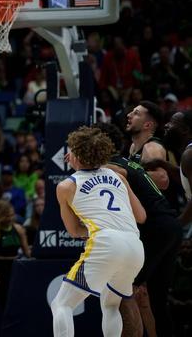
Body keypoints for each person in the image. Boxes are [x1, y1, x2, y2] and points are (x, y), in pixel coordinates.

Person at [50, 126, 146, 337]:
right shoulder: (118, 176)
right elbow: (141, 216)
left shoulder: (66, 186)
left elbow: (74, 231)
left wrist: (97, 226)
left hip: (106, 242)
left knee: (62, 304)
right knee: (110, 305)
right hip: (134, 245)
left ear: (76, 155)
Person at [95, 122, 182, 337]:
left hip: (155, 228)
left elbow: (117, 174)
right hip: (169, 226)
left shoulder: (112, 166)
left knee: (125, 291)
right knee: (153, 298)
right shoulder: (127, 162)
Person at [0, 201, 30, 327]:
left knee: (17, 299)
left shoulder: (18, 229)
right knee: (2, 302)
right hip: (0, 267)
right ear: (0, 216)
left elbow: (27, 251)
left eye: (12, 215)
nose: (10, 218)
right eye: (7, 215)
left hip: (15, 265)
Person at [126, 101, 171, 190]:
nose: (128, 115)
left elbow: (163, 180)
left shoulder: (152, 147)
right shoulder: (133, 146)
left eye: (136, 113)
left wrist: (125, 174)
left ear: (147, 125)